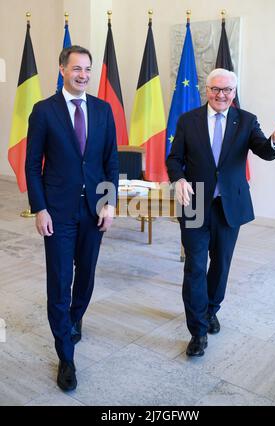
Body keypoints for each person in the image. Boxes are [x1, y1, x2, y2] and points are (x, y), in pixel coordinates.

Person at [166, 68, 275, 358]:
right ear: (206, 90)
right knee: (195, 266)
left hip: (228, 206)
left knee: (220, 265)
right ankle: (197, 331)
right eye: (215, 89)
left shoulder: (246, 120)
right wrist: (179, 179)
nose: (221, 95)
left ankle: (211, 310)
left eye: (227, 90)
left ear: (234, 92)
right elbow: (174, 158)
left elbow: (264, 150)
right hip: (195, 203)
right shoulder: (188, 120)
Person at [25, 45, 119, 390]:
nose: (83, 75)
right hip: (58, 211)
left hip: (94, 210)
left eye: (87, 69)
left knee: (86, 277)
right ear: (62, 69)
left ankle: (73, 319)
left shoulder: (103, 110)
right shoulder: (43, 111)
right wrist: (40, 208)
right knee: (60, 279)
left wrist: (109, 203)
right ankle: (66, 356)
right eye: (76, 68)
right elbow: (33, 165)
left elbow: (111, 160)